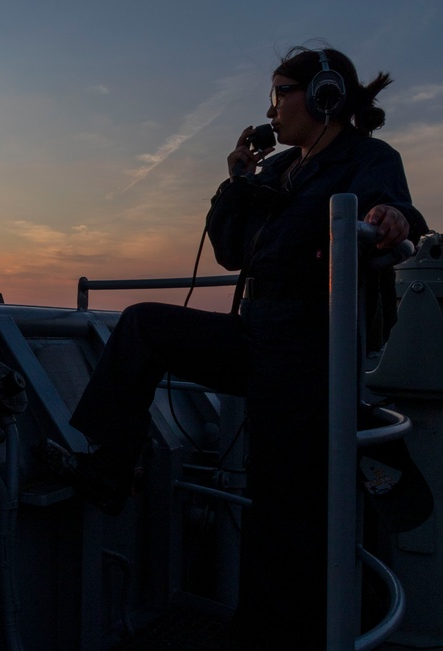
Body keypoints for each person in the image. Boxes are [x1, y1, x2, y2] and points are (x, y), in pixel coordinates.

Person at [65, 46, 427, 649]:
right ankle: (107, 470)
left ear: (324, 96)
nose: (272, 108)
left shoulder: (366, 159)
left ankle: (267, 634)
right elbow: (232, 250)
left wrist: (392, 218)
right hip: (258, 331)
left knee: (281, 504)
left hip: (309, 345)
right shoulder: (282, 170)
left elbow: (394, 214)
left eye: (281, 92)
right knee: (143, 327)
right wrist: (235, 177)